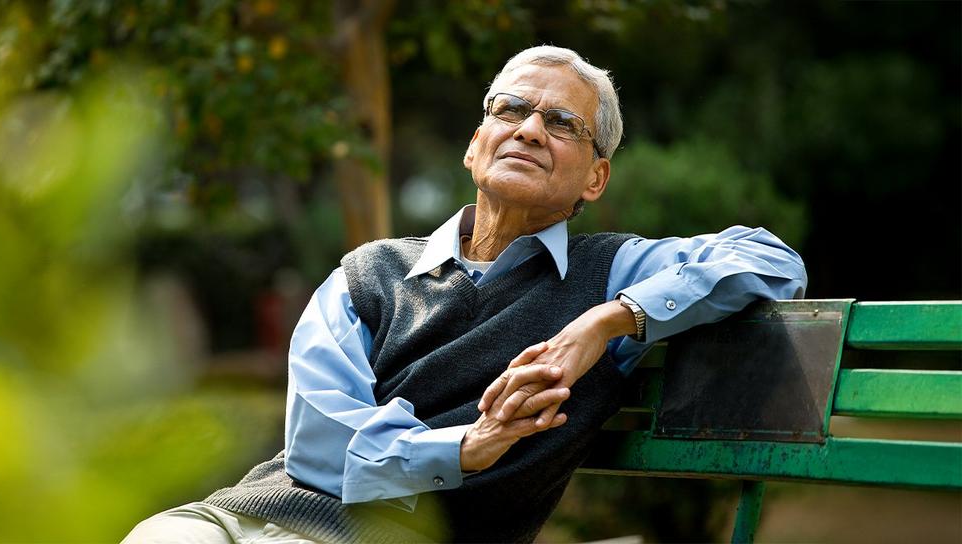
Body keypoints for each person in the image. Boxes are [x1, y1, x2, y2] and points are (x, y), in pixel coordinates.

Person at [123, 45, 807, 543]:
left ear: (595, 179)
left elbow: (771, 260)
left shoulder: (616, 272)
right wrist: (465, 447)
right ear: (477, 143)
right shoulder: (370, 272)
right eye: (512, 110)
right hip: (248, 518)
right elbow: (320, 441)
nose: (531, 129)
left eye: (563, 124)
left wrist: (609, 320)